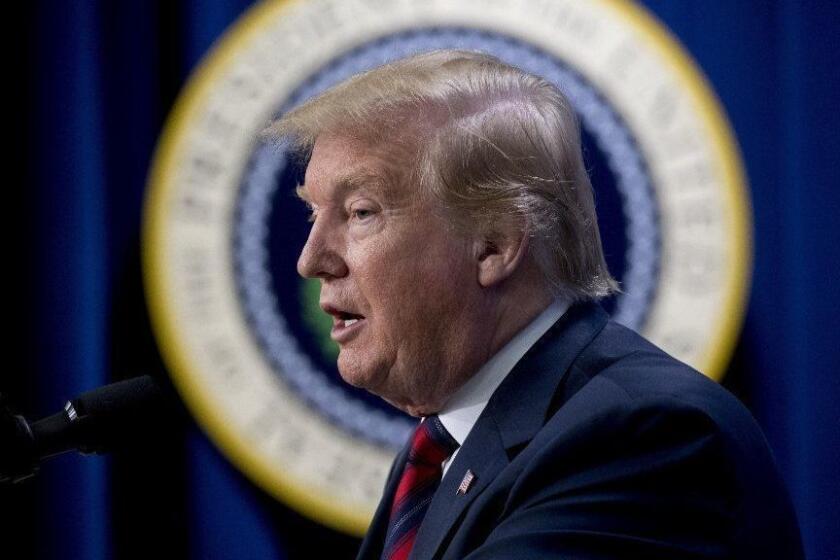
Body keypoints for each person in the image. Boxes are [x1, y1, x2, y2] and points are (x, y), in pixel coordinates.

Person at [266, 50, 803, 559]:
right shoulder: (445, 450)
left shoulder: (643, 438)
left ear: (495, 243)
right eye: (314, 214)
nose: (311, 260)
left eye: (361, 212)